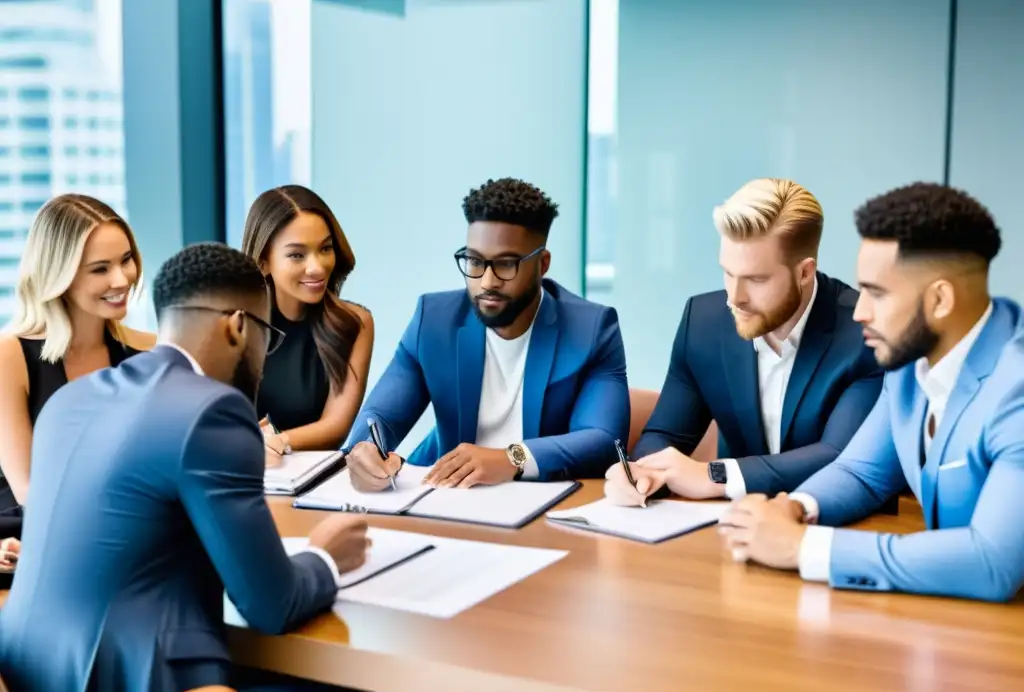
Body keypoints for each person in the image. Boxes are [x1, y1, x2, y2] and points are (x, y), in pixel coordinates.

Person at [0, 243, 391, 692]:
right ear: (236, 326)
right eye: (265, 336)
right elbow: (271, 606)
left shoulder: (71, 401)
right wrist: (323, 557)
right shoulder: (213, 409)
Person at [720, 183, 1024, 603]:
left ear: (939, 300)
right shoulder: (908, 363)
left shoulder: (1017, 388)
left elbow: (992, 562)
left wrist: (802, 547)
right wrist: (795, 508)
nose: (860, 311)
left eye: (877, 293)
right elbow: (862, 473)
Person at [605, 178, 882, 506]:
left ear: (805, 272)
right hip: (730, 531)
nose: (734, 298)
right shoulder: (703, 322)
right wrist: (642, 473)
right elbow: (665, 435)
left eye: (756, 279)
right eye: (728, 273)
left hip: (835, 526)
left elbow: (839, 456)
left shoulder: (864, 332)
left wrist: (715, 475)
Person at [344, 177, 629, 490]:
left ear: (542, 264)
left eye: (506, 264)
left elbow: (603, 441)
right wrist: (366, 451)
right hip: (446, 498)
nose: (488, 281)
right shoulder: (435, 320)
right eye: (475, 261)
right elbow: (379, 416)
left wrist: (511, 458)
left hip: (542, 504)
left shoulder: (592, 329)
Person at [0, 194, 154, 544]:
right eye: (100, 269)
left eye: (126, 260)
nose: (122, 279)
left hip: (118, 532)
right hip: (28, 533)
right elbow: (28, 490)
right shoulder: (10, 355)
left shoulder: (150, 350)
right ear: (60, 275)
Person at [243, 185, 374, 453]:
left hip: (311, 481)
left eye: (325, 249)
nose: (316, 267)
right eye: (296, 255)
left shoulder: (355, 323)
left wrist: (276, 441)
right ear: (263, 262)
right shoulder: (232, 324)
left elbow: (335, 428)